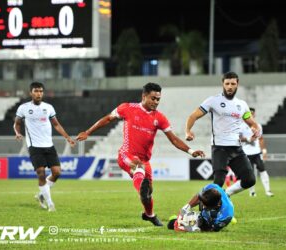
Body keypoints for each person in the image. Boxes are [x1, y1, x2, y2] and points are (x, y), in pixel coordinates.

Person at [76, 83, 205, 226]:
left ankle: (149, 214)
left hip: (144, 160)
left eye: (158, 99)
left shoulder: (160, 118)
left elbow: (173, 139)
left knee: (149, 191)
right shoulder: (127, 108)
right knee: (138, 169)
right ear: (144, 96)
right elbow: (107, 118)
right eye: (153, 98)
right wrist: (88, 132)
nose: (156, 102)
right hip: (126, 154)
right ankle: (142, 190)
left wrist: (191, 151)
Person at [185, 71, 260, 196]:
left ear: (237, 84)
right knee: (218, 182)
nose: (230, 86)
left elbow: (252, 123)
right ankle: (203, 208)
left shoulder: (242, 105)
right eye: (227, 83)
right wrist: (188, 131)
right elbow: (193, 116)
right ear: (223, 84)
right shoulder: (213, 101)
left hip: (236, 148)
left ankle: (226, 194)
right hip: (219, 147)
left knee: (250, 179)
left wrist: (255, 129)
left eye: (232, 83)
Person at [13, 82, 76, 212]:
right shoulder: (23, 108)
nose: (39, 93)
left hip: (49, 145)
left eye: (41, 91)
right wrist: (17, 133)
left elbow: (56, 124)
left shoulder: (49, 107)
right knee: (41, 173)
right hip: (34, 146)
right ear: (31, 93)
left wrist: (67, 137)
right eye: (36, 91)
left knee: (57, 172)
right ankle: (50, 204)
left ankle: (41, 195)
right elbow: (17, 123)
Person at [167, 183, 235, 232]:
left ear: (214, 206)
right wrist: (185, 208)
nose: (202, 205)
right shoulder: (212, 187)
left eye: (205, 206)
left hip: (215, 219)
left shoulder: (225, 216)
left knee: (188, 224)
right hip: (210, 213)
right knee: (171, 224)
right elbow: (198, 197)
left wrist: (192, 229)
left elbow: (211, 229)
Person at [240, 107, 274, 197]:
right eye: (249, 114)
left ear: (254, 115)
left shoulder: (258, 126)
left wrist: (264, 151)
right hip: (246, 153)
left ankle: (268, 190)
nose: (250, 115)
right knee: (250, 173)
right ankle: (252, 192)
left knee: (262, 169)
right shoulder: (241, 126)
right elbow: (238, 138)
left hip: (256, 152)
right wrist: (248, 139)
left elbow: (261, 139)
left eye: (252, 113)